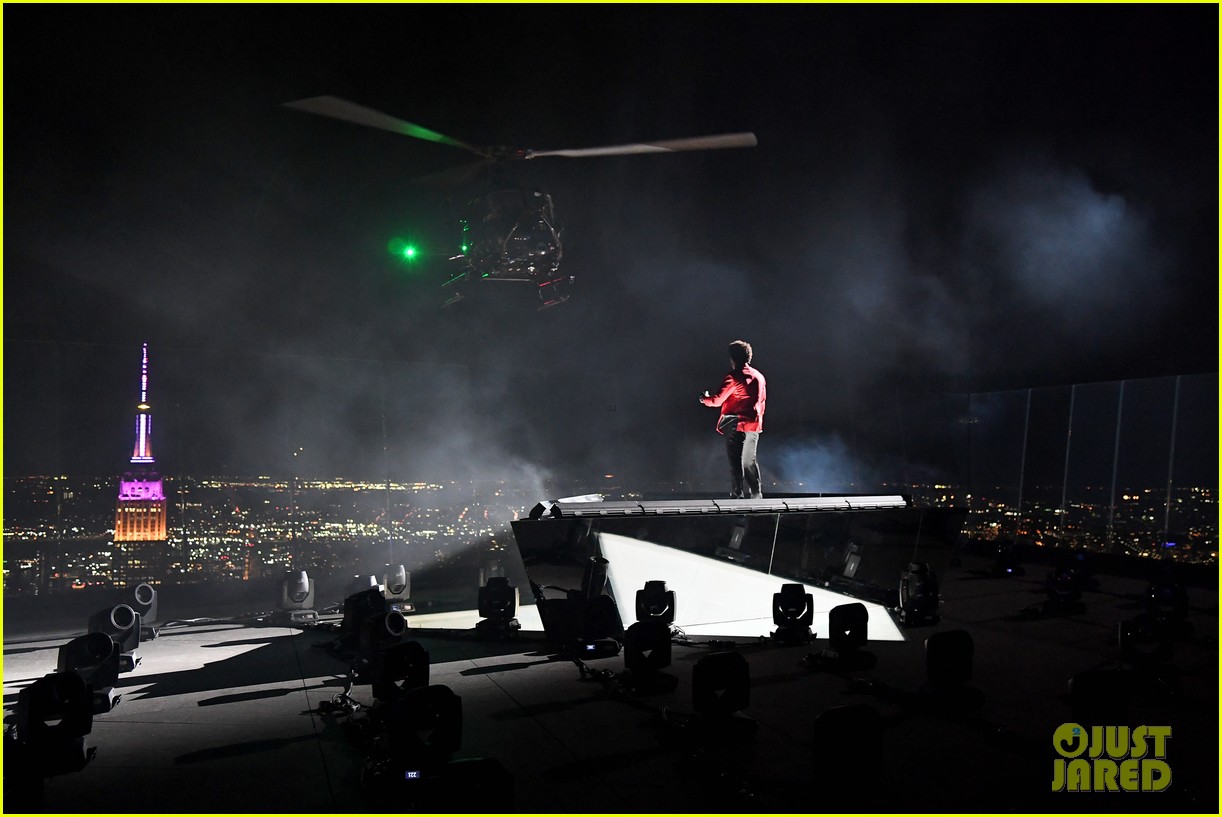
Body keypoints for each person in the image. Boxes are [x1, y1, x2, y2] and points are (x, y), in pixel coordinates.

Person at [699, 339, 767, 498]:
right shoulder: (759, 376)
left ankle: (737, 494)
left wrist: (704, 399)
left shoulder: (734, 376)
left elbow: (718, 400)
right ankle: (756, 494)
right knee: (749, 460)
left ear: (733, 358)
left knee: (735, 460)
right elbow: (762, 401)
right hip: (754, 423)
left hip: (737, 422)